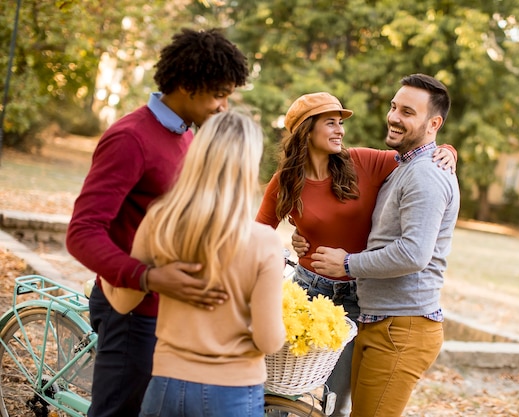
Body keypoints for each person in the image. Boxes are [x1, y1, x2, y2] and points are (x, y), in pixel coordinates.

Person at [66, 28, 249, 417]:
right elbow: (82, 233)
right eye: (219, 94)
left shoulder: (184, 136)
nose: (223, 106)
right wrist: (147, 277)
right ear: (186, 85)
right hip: (130, 308)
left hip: (164, 310)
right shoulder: (131, 138)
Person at [255, 92, 457, 417]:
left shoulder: (362, 161)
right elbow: (257, 237)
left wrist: (448, 150)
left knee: (334, 401)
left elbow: (420, 157)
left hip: (357, 297)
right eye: (330, 123)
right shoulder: (285, 183)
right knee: (287, 396)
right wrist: (284, 250)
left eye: (340, 123)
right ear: (305, 130)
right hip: (308, 293)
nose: (340, 130)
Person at [104, 110, 286, 417]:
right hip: (233, 393)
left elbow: (123, 302)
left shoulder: (160, 221)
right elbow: (268, 341)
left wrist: (106, 266)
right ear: (248, 167)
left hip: (165, 386)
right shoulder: (264, 241)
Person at [309, 74, 460, 417]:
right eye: (394, 106)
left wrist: (348, 265)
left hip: (403, 327)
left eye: (407, 112)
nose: (393, 116)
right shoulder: (402, 168)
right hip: (381, 320)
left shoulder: (425, 174)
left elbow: (413, 253)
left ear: (433, 123)